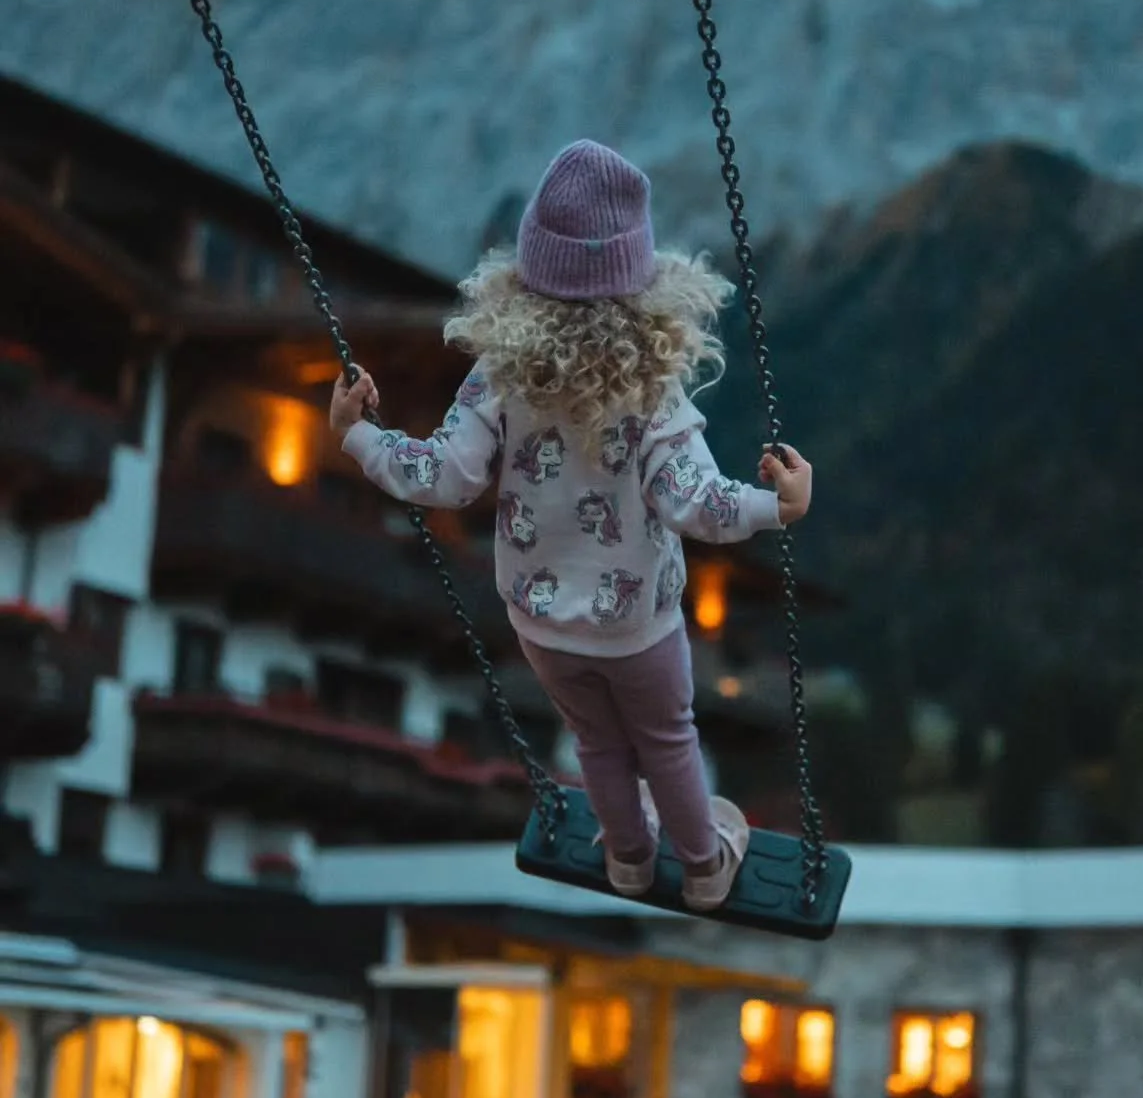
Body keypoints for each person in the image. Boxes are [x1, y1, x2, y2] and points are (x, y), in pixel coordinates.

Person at [330, 139, 812, 910]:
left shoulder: (496, 378)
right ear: (639, 281)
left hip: (541, 622)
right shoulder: (651, 396)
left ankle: (626, 857)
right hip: (640, 627)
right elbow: (700, 504)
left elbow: (446, 478)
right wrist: (776, 506)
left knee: (596, 744)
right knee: (668, 741)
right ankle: (701, 866)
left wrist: (360, 435)